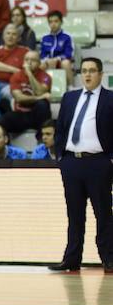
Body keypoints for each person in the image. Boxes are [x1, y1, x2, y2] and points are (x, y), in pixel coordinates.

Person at [49, 57, 112, 272]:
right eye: (84, 70)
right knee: (74, 214)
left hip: (99, 163)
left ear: (101, 74)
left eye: (92, 71)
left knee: (103, 213)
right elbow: (61, 128)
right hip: (71, 163)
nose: (87, 74)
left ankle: (108, 257)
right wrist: (61, 157)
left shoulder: (110, 99)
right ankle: (72, 259)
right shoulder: (70, 97)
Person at [0, 51, 52, 138]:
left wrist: (29, 74)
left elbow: (40, 92)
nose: (29, 62)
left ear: (39, 63)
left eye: (33, 60)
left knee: (42, 104)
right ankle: (6, 146)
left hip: (38, 115)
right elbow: (19, 98)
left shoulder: (45, 76)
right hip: (21, 114)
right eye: (26, 60)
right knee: (1, 120)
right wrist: (39, 97)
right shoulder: (16, 76)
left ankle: (41, 140)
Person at [0, 24, 31, 90]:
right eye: (8, 33)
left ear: (19, 38)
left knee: (14, 93)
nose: (10, 37)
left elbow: (29, 68)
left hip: (13, 85)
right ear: (3, 36)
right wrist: (15, 70)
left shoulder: (26, 51)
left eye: (14, 34)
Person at [40, 11, 75, 87]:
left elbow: (69, 54)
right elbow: (42, 55)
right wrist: (47, 61)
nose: (53, 24)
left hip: (62, 62)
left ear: (61, 22)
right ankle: (40, 88)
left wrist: (57, 59)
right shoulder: (44, 38)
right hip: (48, 62)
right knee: (39, 65)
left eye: (56, 21)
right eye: (50, 22)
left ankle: (71, 87)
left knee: (66, 63)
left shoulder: (67, 37)